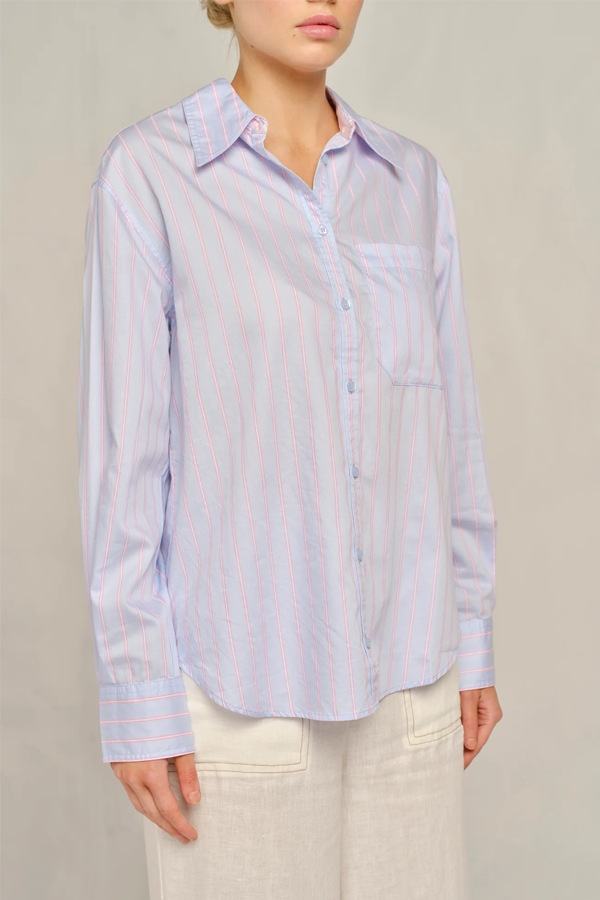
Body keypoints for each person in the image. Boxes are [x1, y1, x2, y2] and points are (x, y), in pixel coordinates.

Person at [77, 1, 503, 897]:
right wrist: (137, 696)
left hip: (411, 686)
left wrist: (473, 637)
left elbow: (449, 433)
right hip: (238, 693)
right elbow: (125, 463)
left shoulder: (412, 183)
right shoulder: (150, 176)